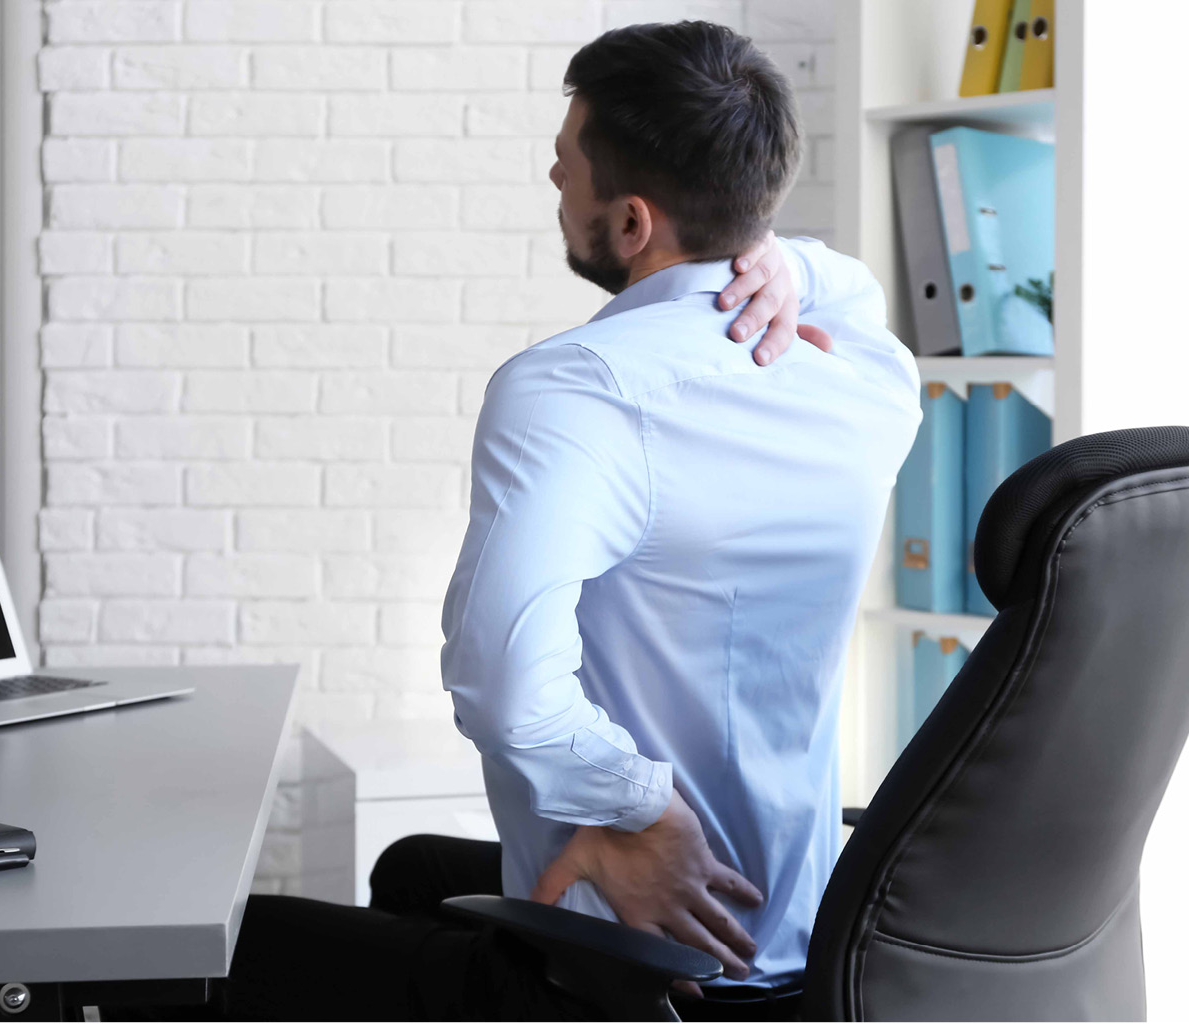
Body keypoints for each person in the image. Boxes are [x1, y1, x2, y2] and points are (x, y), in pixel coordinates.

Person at [122, 20, 921, 1023]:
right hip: (799, 935)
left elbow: (505, 691)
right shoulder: (867, 384)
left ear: (630, 223)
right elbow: (861, 291)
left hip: (629, 968)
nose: (554, 190)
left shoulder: (579, 389)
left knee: (192, 953)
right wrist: (782, 260)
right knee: (413, 867)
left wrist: (641, 811)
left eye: (563, 174)